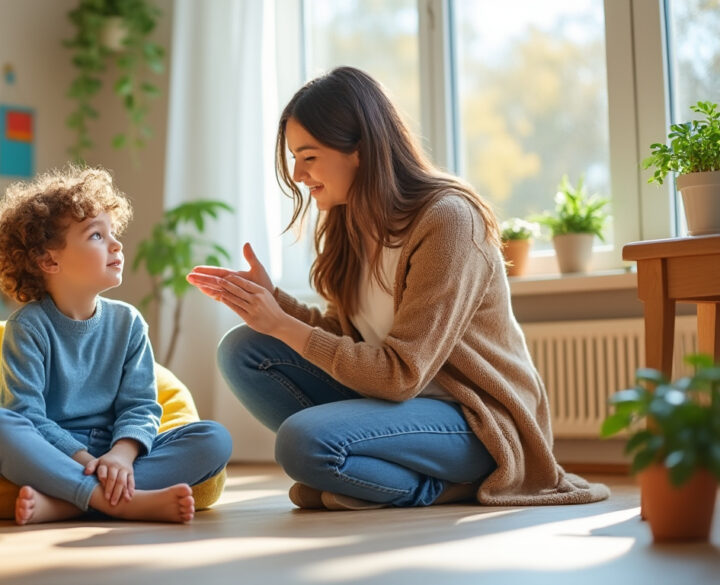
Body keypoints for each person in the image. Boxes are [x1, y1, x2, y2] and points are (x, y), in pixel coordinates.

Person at [187, 66, 608, 510]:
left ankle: (444, 486)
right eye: (295, 158)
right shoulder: (349, 221)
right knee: (244, 349)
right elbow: (347, 337)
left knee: (301, 442)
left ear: (361, 151)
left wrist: (282, 323)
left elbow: (400, 375)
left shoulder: (449, 220)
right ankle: (357, 476)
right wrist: (273, 304)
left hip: (476, 422)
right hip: (400, 408)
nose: (297, 173)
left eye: (308, 156)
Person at [0, 165, 232, 525]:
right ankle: (116, 501)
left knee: (213, 439)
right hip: (56, 454)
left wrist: (120, 457)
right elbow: (27, 416)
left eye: (113, 232)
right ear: (49, 259)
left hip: (119, 454)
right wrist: (86, 461)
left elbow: (141, 407)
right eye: (96, 235)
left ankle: (66, 504)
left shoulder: (128, 323)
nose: (116, 244)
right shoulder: (29, 326)